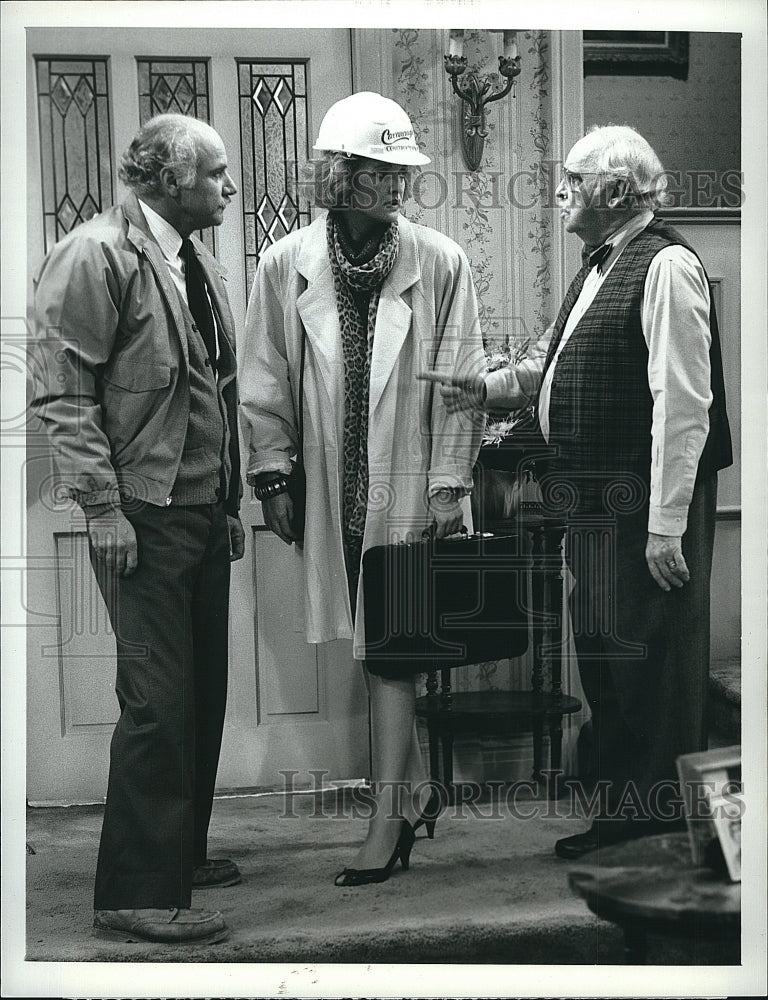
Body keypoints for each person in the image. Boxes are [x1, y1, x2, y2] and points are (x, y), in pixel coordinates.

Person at [423, 125, 732, 859]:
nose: (561, 190)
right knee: (607, 661)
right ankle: (625, 817)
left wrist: (665, 527)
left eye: (574, 178)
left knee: (648, 666)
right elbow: (557, 366)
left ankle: (653, 829)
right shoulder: (602, 263)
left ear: (616, 192)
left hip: (644, 508)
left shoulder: (666, 267)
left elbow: (685, 405)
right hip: (595, 505)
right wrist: (489, 387)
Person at [239, 92, 484, 885]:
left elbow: (462, 380)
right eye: (380, 171)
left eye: (402, 171)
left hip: (411, 484)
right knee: (375, 641)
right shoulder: (285, 263)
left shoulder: (439, 261)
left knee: (392, 649)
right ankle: (415, 792)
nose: (397, 186)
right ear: (340, 176)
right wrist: (273, 472)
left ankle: (387, 824)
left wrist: (449, 483)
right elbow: (264, 375)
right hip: (330, 486)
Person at [31, 114, 245, 943]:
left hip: (197, 513)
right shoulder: (94, 254)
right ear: (164, 179)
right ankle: (133, 894)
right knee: (157, 702)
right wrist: (101, 506)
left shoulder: (200, 264)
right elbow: (61, 389)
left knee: (200, 698)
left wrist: (226, 504)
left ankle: (177, 856)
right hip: (140, 516)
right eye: (216, 174)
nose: (228, 187)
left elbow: (213, 394)